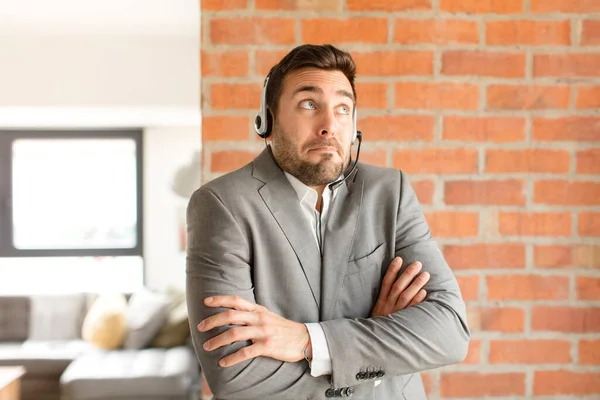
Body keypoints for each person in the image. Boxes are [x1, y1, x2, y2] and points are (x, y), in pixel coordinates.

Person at [186, 44, 470, 400]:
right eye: (309, 105)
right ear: (268, 121)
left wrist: (308, 341)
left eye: (342, 108)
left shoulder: (390, 192)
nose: (329, 126)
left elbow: (449, 333)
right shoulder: (222, 205)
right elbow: (235, 373)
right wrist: (377, 336)